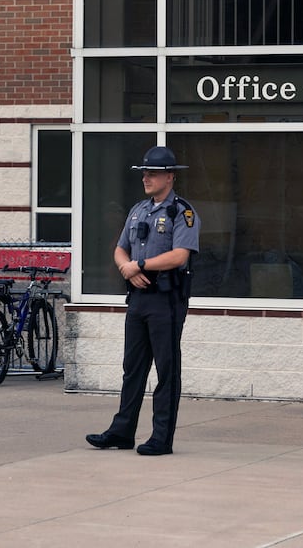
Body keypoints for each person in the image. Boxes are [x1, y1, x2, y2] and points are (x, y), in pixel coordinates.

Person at [86, 146, 201, 457]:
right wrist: (127, 267)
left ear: (170, 176)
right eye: (144, 173)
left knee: (166, 370)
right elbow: (121, 248)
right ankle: (122, 431)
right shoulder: (138, 210)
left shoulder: (182, 212)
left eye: (152, 173)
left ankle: (161, 438)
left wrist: (142, 266)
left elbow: (180, 255)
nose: (146, 178)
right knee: (132, 368)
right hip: (138, 298)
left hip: (166, 300)